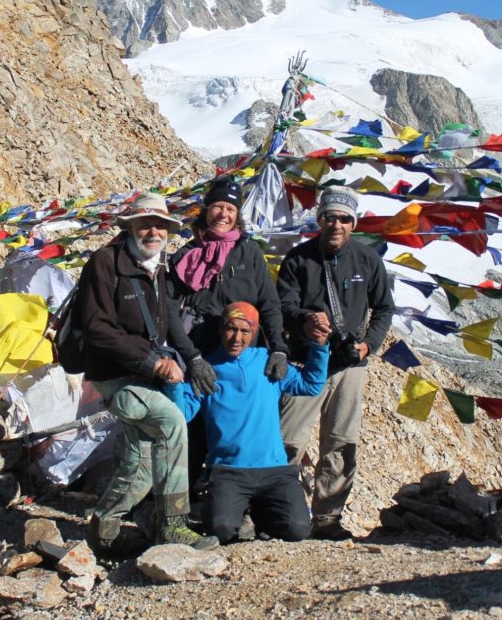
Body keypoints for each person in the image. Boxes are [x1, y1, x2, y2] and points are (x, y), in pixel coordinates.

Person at [78, 191, 219, 553]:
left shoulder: (155, 267)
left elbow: (168, 321)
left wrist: (193, 358)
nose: (153, 232)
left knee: (140, 457)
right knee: (171, 423)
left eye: (160, 225)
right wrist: (153, 361)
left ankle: (104, 530)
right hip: (114, 375)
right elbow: (98, 329)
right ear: (131, 227)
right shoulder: (104, 263)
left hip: (140, 375)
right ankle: (172, 524)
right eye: (145, 224)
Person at [276, 185, 395, 540]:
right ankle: (281, 511)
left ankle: (328, 518)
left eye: (344, 219)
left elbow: (384, 309)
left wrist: (368, 346)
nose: (337, 224)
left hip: (350, 366)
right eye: (330, 217)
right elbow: (282, 307)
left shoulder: (368, 260)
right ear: (320, 219)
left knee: (341, 441)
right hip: (303, 362)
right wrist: (306, 321)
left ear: (353, 223)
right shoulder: (297, 259)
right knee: (288, 439)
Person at [167, 176, 290, 502]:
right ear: (206, 211)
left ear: (238, 215)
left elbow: (270, 305)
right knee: (191, 428)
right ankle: (180, 504)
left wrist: (278, 348)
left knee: (240, 424)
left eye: (230, 208)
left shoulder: (249, 254)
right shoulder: (188, 254)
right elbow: (167, 310)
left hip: (242, 355)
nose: (223, 214)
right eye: (218, 206)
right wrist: (191, 357)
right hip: (199, 349)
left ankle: (241, 502)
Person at [166, 302, 329, 543]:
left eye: (245, 331)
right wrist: (174, 384)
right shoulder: (206, 369)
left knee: (297, 529)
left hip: (274, 471)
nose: (236, 338)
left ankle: (260, 514)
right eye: (231, 329)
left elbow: (311, 384)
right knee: (220, 530)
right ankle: (243, 513)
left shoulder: (268, 362)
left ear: (254, 333)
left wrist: (319, 346)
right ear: (221, 329)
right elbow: (182, 413)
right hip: (228, 471)